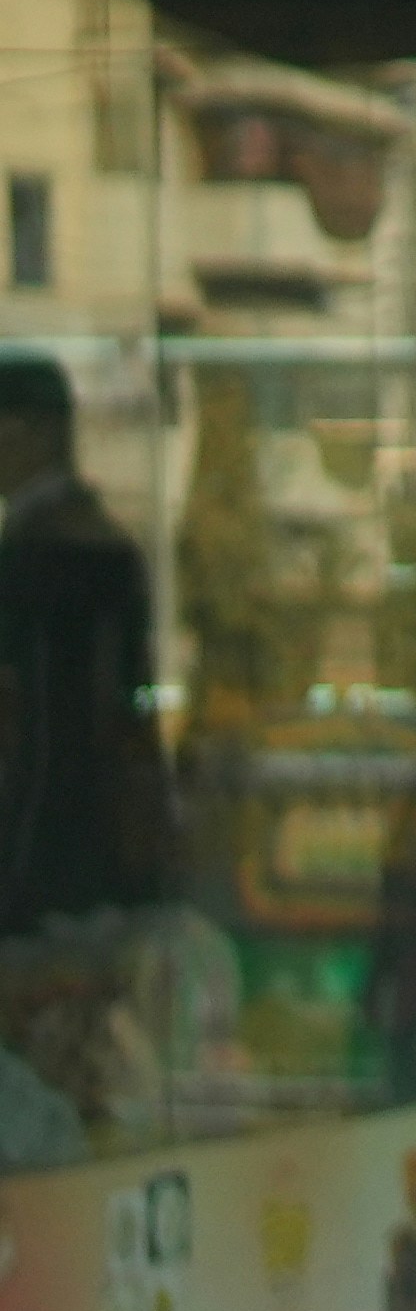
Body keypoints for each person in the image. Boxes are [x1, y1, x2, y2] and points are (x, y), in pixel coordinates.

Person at [0, 359, 171, 936]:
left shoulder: (33, 554)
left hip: (38, 857)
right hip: (100, 855)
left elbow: (29, 721)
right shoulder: (105, 543)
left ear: (34, 432)